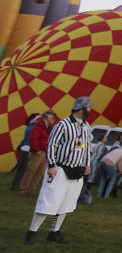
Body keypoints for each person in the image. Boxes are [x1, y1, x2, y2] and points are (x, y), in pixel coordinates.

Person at [24, 96, 93, 244]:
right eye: (88, 108)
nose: (90, 110)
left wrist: (87, 164)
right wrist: (52, 165)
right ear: (81, 109)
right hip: (61, 168)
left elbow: (86, 147)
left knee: (66, 204)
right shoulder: (63, 125)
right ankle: (32, 232)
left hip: (77, 170)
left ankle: (54, 232)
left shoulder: (86, 126)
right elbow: (52, 145)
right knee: (49, 201)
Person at [19, 110, 56, 194]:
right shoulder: (38, 126)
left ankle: (31, 188)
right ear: (46, 116)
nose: (53, 117)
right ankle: (23, 188)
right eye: (51, 115)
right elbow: (33, 138)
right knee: (31, 170)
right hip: (38, 152)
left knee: (40, 172)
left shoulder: (48, 127)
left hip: (45, 152)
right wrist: (37, 150)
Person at [10, 113, 42, 191]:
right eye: (38, 120)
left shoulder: (30, 127)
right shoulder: (32, 128)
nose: (40, 121)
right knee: (23, 169)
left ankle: (16, 185)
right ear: (34, 120)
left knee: (22, 168)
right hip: (26, 149)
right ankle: (17, 186)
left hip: (24, 148)